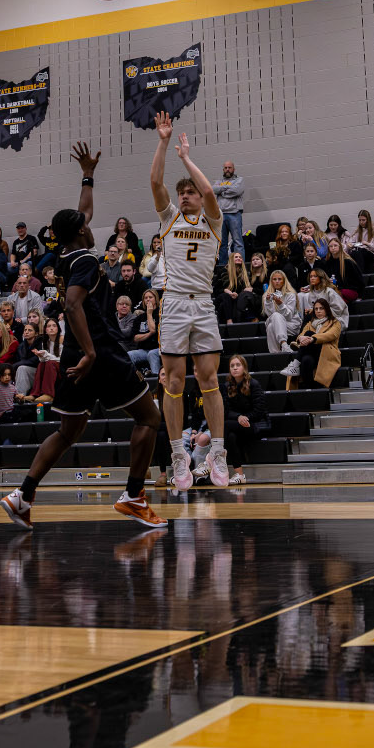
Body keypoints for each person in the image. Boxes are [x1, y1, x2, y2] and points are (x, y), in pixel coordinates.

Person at [1, 141, 164, 527]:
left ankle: (22, 495)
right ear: (79, 232)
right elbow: (72, 306)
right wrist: (91, 353)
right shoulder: (88, 260)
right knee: (149, 418)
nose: (91, 224)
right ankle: (134, 496)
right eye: (86, 224)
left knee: (68, 431)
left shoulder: (65, 255)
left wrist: (87, 176)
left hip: (74, 353)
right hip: (99, 352)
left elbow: (83, 211)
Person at [149, 111, 228, 492]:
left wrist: (186, 158)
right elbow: (155, 182)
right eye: (182, 193)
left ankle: (218, 452)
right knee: (175, 381)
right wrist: (164, 143)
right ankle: (178, 454)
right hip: (176, 304)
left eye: (189, 192)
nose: (184, 195)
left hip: (204, 304)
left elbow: (211, 193)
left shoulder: (213, 221)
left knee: (209, 379)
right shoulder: (169, 219)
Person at [223, 352, 270, 482]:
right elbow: (226, 411)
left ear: (244, 367)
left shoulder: (254, 384)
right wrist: (238, 417)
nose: (235, 368)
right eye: (232, 365)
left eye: (238, 365)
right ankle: (239, 474)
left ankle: (213, 457)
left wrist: (244, 418)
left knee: (224, 425)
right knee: (230, 437)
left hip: (253, 424)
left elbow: (259, 412)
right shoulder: (227, 386)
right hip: (235, 425)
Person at [291, 299, 343, 391]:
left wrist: (313, 339)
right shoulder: (310, 323)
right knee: (306, 359)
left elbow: (331, 335)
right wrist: (300, 338)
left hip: (327, 352)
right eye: (316, 309)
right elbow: (301, 335)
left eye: (321, 308)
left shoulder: (335, 322)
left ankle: (295, 364)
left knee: (309, 333)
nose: (318, 311)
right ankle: (309, 389)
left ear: (327, 309)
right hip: (312, 353)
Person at [215, 159, 246, 262]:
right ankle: (222, 267)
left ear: (234, 169)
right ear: (223, 169)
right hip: (221, 215)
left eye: (229, 167)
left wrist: (222, 191)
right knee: (222, 243)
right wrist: (228, 188)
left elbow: (237, 191)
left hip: (234, 214)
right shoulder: (219, 181)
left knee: (238, 242)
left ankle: (239, 266)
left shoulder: (239, 180)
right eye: (225, 168)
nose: (227, 169)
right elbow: (213, 189)